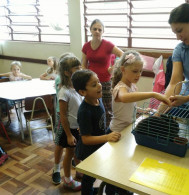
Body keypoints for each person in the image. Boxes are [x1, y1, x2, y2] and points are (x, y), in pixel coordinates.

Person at [71, 69, 121, 195]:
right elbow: (86, 139)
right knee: (89, 177)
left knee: (99, 174)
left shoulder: (98, 99)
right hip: (89, 151)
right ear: (82, 92)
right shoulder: (84, 111)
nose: (99, 85)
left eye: (98, 81)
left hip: (98, 147)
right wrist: (107, 137)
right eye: (94, 85)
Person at [109, 50, 171, 133]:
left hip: (127, 130)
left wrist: (142, 110)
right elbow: (124, 98)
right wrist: (153, 94)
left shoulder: (133, 86)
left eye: (140, 71)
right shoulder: (120, 87)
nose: (138, 75)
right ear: (123, 69)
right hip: (116, 132)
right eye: (135, 71)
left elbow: (129, 108)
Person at [81, 19, 123, 127]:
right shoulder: (86, 46)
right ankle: (96, 129)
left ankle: (107, 132)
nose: (97, 31)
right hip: (90, 82)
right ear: (90, 30)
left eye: (100, 29)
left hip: (105, 82)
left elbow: (123, 55)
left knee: (108, 109)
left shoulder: (107, 44)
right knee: (92, 107)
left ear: (103, 32)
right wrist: (85, 78)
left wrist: (113, 68)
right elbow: (83, 64)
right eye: (94, 29)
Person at [51, 52, 80, 185]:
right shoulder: (62, 86)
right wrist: (68, 133)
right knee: (60, 144)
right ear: (67, 72)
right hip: (63, 119)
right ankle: (57, 169)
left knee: (72, 148)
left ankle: (76, 168)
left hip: (74, 121)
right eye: (77, 68)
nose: (81, 70)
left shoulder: (77, 84)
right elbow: (63, 110)